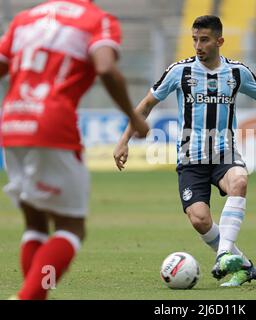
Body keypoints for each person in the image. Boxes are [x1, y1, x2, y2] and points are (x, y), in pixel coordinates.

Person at [113, 15, 256, 287]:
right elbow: (146, 105)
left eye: (205, 40)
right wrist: (124, 139)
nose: (198, 45)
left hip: (224, 153)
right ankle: (243, 265)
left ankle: (223, 254)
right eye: (195, 39)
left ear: (220, 41)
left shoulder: (236, 72)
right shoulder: (180, 71)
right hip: (191, 158)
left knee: (240, 181)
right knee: (199, 219)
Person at [0, 0, 149, 300]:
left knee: (36, 224)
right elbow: (105, 68)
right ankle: (29, 297)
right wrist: (134, 119)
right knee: (71, 227)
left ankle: (36, 294)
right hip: (52, 124)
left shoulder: (25, 18)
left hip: (13, 122)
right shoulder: (96, 19)